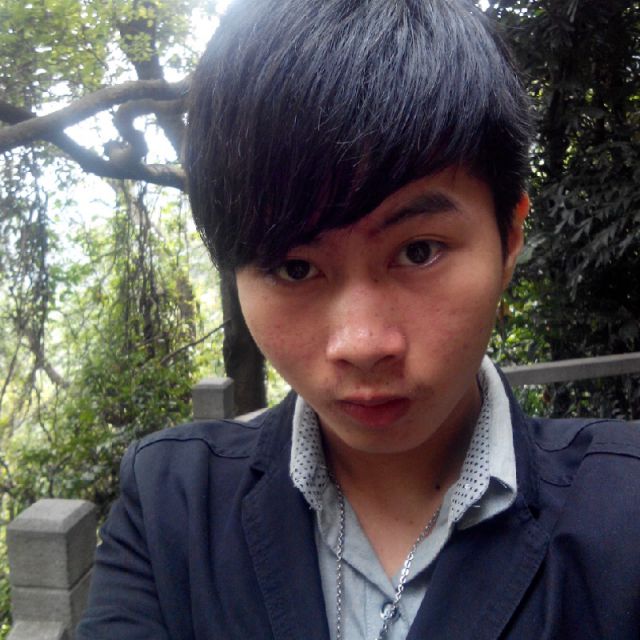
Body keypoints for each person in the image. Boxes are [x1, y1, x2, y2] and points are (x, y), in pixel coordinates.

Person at [77, 1, 640, 638]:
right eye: (294, 267)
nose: (363, 344)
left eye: (418, 251)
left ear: (509, 238)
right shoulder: (171, 508)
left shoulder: (625, 510)